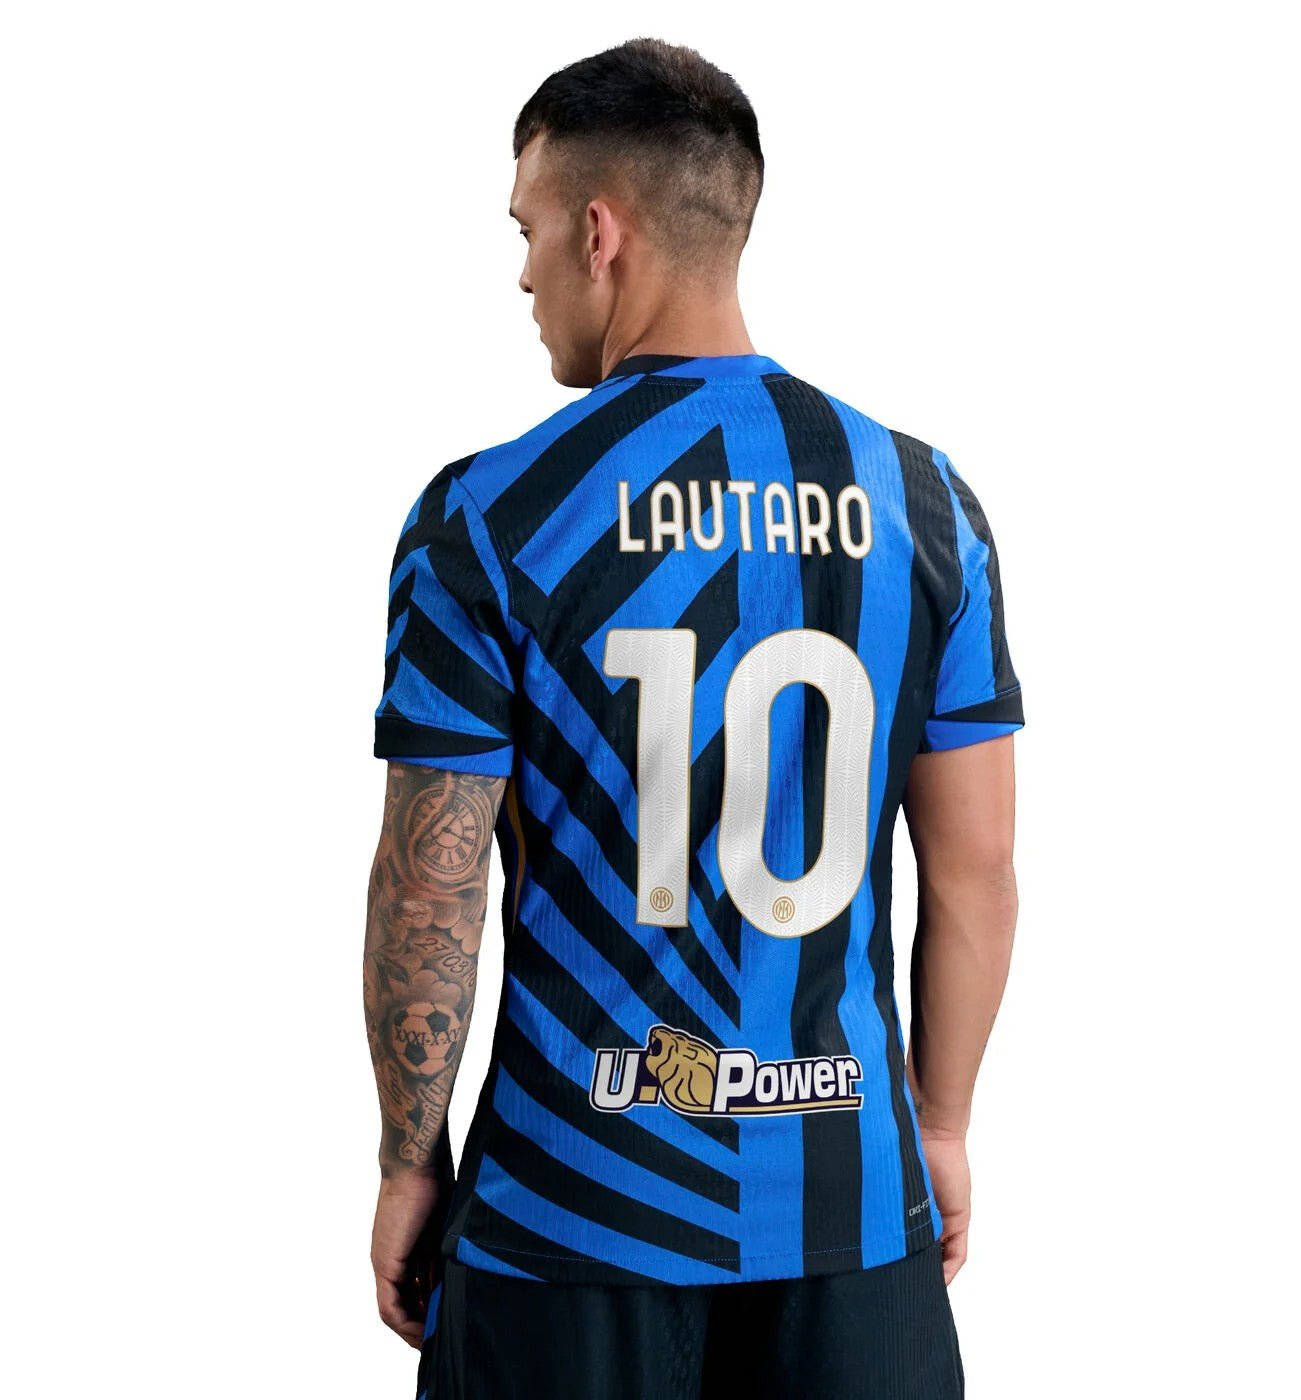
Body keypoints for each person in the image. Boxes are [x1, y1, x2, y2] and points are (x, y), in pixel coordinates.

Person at [364, 37, 1022, 1400]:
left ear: (600, 233)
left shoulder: (487, 519)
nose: (525, 275)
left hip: (568, 1208)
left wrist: (408, 1161)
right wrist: (944, 1130)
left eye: (528, 231)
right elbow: (975, 874)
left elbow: (432, 888)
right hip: (848, 1200)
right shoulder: (928, 508)